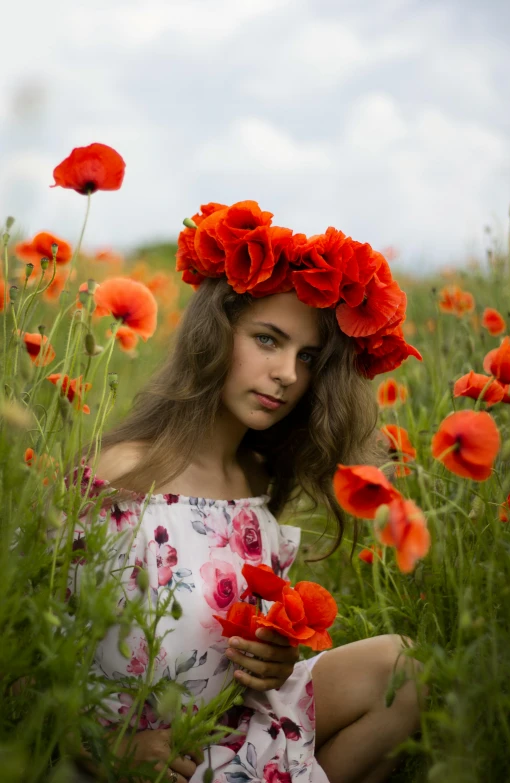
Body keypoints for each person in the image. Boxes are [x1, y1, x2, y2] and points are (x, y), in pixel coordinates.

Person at [72, 201, 424, 783]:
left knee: (403, 665)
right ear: (215, 335)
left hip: (238, 729)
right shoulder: (120, 473)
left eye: (306, 357)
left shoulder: (258, 487)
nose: (288, 372)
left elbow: (233, 649)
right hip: (135, 758)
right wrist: (98, 748)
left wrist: (276, 659)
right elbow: (28, 650)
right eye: (268, 340)